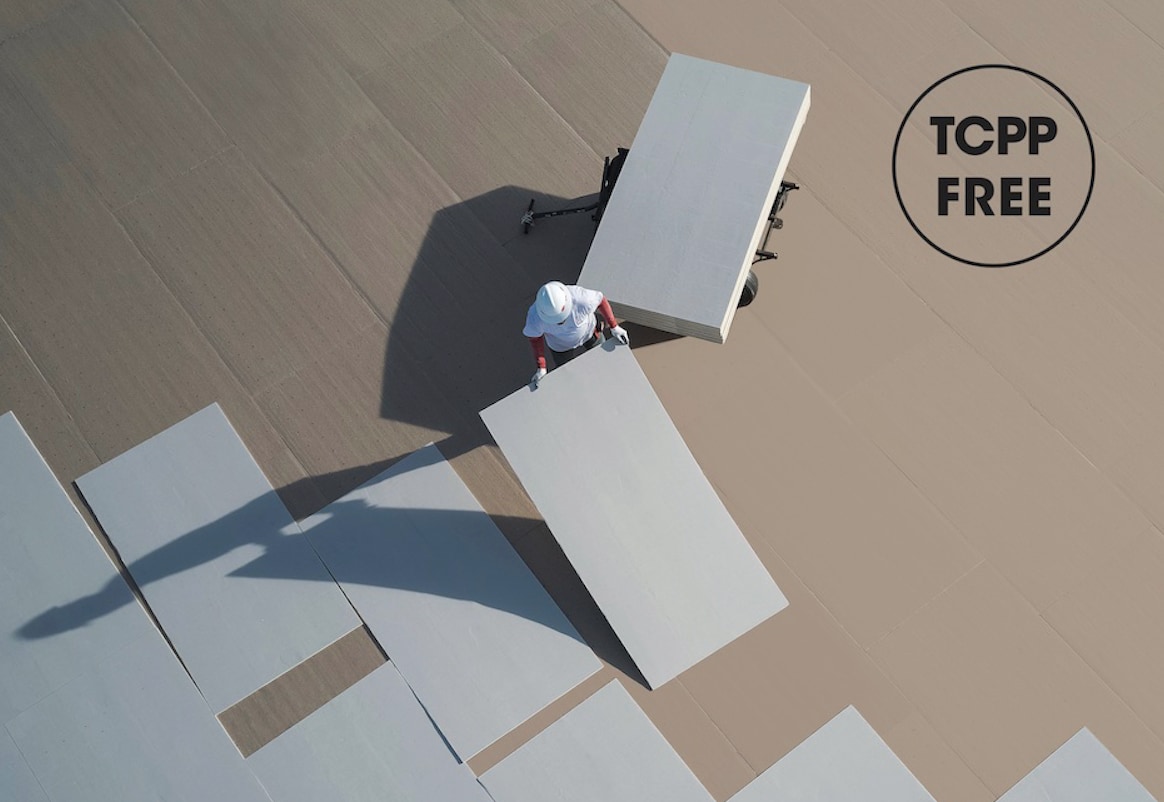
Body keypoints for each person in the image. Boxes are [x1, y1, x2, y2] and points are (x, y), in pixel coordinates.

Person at [524, 281, 630, 386]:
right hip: (561, 347)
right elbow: (535, 339)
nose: (561, 322)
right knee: (566, 373)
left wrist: (614, 326)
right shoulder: (534, 318)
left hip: (589, 333)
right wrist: (541, 367)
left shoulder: (581, 298)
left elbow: (601, 300)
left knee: (603, 359)